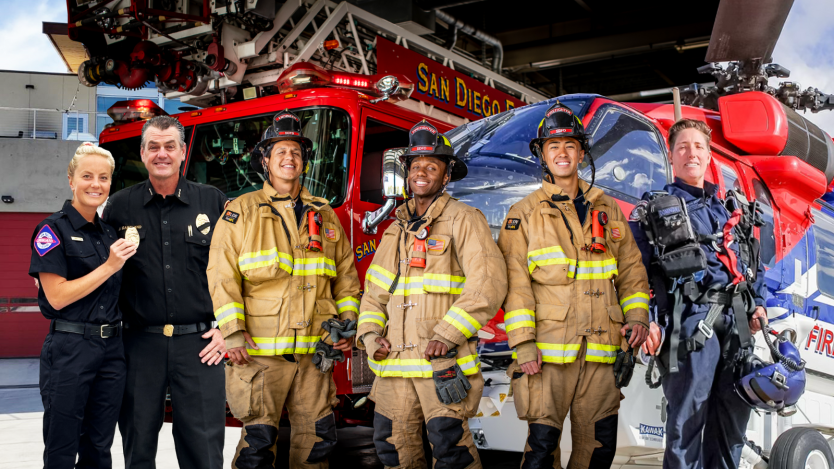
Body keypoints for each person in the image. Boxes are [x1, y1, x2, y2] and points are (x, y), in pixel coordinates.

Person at [497, 102, 650, 468]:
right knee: (542, 448)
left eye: (569, 145)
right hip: (548, 355)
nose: (562, 153)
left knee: (599, 449)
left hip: (601, 352)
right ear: (543, 155)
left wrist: (639, 317)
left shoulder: (608, 208)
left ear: (581, 152)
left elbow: (631, 270)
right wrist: (523, 343)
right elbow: (515, 285)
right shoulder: (523, 214)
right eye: (554, 146)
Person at [208, 110, 361, 468]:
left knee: (318, 442)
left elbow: (345, 277)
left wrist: (348, 324)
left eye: (295, 151)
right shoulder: (241, 212)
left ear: (304, 162)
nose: (289, 158)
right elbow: (222, 275)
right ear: (266, 160)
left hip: (315, 354)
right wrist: (232, 333)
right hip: (260, 354)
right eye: (280, 152)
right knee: (258, 446)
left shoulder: (324, 214)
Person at [356, 121, 508, 469]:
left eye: (432, 166)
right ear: (407, 174)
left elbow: (488, 284)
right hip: (394, 366)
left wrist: (447, 333)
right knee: (393, 447)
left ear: (446, 175)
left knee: (450, 448)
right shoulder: (395, 229)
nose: (421, 172)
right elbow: (374, 293)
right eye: (415, 166)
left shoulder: (464, 219)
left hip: (441, 363)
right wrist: (368, 335)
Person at [631, 118, 768, 469]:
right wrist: (646, 318)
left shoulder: (729, 210)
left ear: (708, 156)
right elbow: (635, 271)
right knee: (686, 426)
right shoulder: (655, 209)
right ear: (671, 156)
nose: (691, 153)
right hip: (691, 324)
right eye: (682, 147)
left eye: (698, 147)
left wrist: (760, 304)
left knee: (732, 427)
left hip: (737, 326)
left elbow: (754, 263)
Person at [102, 116, 228, 469]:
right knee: (138, 447)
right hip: (140, 346)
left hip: (201, 347)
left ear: (183, 152)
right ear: (142, 154)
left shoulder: (213, 202)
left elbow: (239, 271)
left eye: (170, 146)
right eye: (153, 146)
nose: (162, 153)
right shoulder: (118, 207)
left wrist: (228, 329)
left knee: (203, 451)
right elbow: (101, 270)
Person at [29, 142, 136, 468]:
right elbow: (57, 296)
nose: (96, 184)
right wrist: (109, 266)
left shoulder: (108, 233)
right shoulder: (52, 229)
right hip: (70, 349)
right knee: (62, 449)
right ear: (71, 180)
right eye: (87, 176)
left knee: (99, 448)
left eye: (103, 178)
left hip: (111, 351)